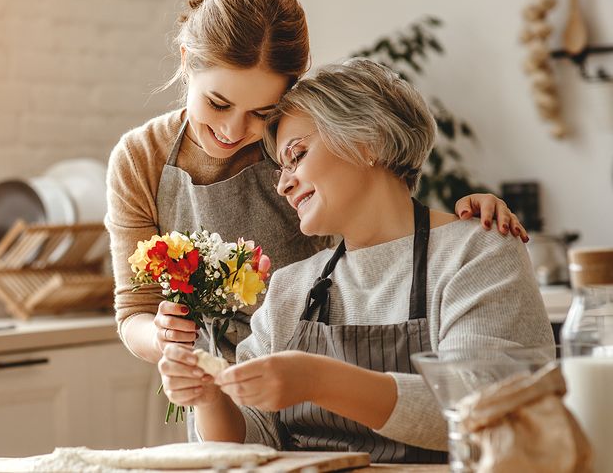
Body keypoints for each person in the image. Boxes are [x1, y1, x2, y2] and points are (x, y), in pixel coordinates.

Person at [106, 0, 527, 367]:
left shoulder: (297, 140)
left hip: (315, 375)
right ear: (186, 62)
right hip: (213, 388)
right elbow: (134, 311)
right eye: (217, 103)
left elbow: (380, 232)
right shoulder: (140, 159)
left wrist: (459, 224)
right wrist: (165, 338)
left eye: (262, 112)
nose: (233, 130)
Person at [157, 59, 555, 462]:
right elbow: (252, 441)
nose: (282, 183)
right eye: (281, 167)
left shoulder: (477, 252)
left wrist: (317, 379)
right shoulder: (290, 288)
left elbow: (483, 407)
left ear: (368, 141)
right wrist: (209, 398)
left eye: (297, 155)